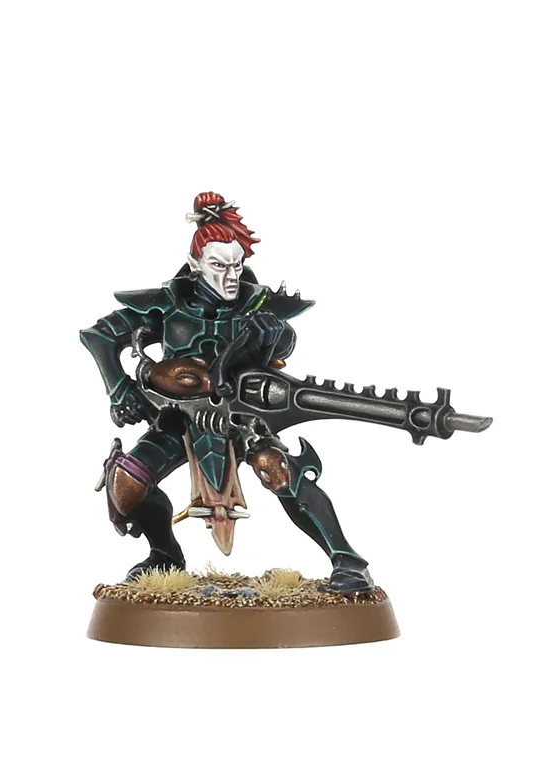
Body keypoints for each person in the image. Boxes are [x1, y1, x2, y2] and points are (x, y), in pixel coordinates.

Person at [80, 192, 374, 593]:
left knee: (277, 470)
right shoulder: (167, 309)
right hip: (179, 420)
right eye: (219, 265)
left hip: (241, 419)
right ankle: (164, 555)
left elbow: (286, 341)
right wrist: (119, 390)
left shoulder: (257, 309)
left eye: (237, 264)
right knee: (126, 484)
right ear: (196, 264)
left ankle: (347, 561)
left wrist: (274, 336)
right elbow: (99, 335)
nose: (231, 275)